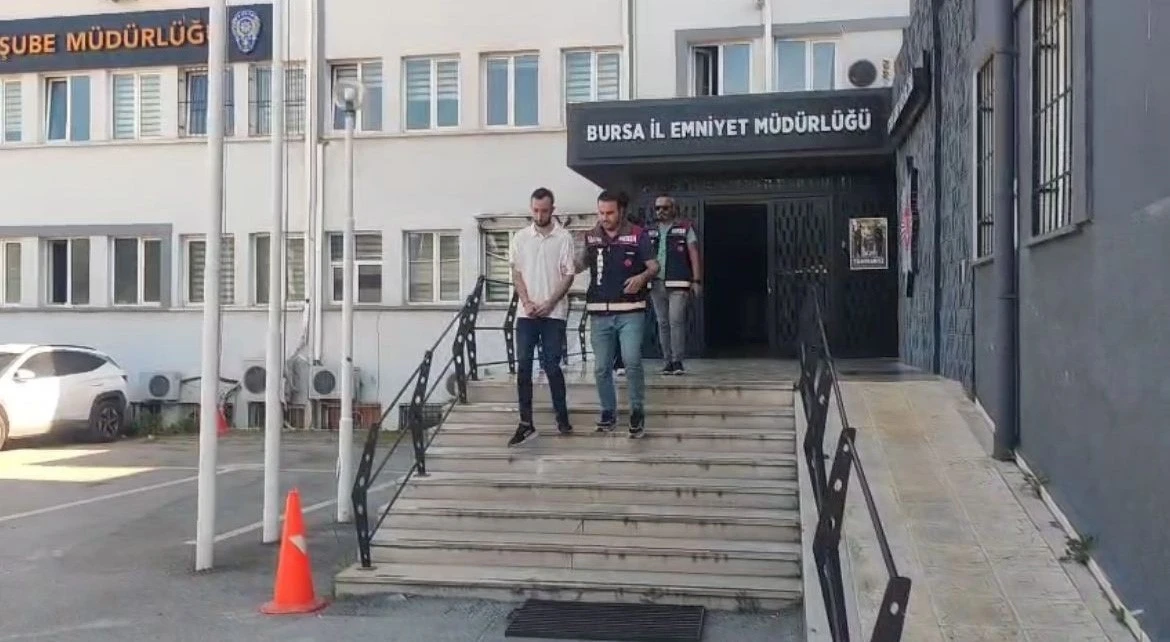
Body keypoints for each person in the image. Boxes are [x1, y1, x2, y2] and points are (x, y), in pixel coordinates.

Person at [575, 189, 659, 438]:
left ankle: (637, 411)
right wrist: (565, 257)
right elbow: (578, 265)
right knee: (601, 367)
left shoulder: (638, 234)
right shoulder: (591, 236)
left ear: (621, 211)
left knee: (631, 360)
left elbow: (654, 266)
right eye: (601, 213)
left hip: (631, 311)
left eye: (609, 213)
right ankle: (608, 412)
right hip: (599, 312)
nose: (604, 218)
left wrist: (641, 277)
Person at [507, 187, 578, 447]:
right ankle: (526, 423)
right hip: (526, 314)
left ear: (552, 210)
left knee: (551, 365)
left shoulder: (564, 238)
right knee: (524, 366)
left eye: (544, 211)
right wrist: (526, 301)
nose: (539, 215)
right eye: (535, 210)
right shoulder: (520, 238)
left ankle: (562, 417)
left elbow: (569, 275)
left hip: (554, 314)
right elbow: (516, 273)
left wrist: (550, 303)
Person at [645, 194, 702, 375]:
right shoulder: (649, 230)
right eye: (657, 208)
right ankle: (667, 361)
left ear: (673, 209)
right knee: (662, 323)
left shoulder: (685, 228)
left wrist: (696, 280)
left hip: (679, 282)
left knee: (675, 321)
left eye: (665, 207)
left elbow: (693, 253)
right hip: (656, 283)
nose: (660, 211)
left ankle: (677, 361)